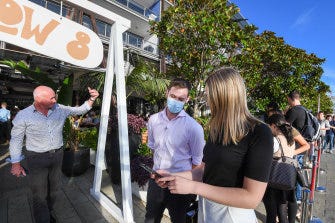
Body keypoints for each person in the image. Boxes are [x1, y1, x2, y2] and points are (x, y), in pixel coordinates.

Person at [155, 67, 273, 223]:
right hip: (207, 211)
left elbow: (251, 198)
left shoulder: (259, 132)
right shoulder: (217, 130)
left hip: (233, 216)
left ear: (224, 96)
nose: (207, 100)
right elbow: (204, 170)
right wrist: (173, 176)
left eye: (210, 95)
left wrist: (193, 187)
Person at [9, 85, 99, 223]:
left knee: (54, 190)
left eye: (55, 97)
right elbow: (16, 140)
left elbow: (80, 109)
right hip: (36, 158)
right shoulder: (23, 115)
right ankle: (43, 219)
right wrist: (15, 163)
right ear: (38, 99)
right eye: (51, 98)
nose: (55, 100)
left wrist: (92, 98)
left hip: (57, 156)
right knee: (39, 194)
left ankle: (47, 212)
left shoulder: (59, 109)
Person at [144, 78, 205, 223]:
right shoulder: (153, 120)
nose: (176, 101)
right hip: (156, 181)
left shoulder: (194, 128)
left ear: (187, 99)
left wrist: (189, 188)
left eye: (181, 99)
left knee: (179, 220)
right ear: (167, 93)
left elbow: (197, 163)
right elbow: (153, 149)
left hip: (179, 185)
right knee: (150, 219)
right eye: (173, 96)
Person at [263, 114, 310, 223]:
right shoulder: (290, 138)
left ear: (274, 126)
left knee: (271, 212)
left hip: (273, 178)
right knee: (282, 208)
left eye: (269, 126)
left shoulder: (274, 140)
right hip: (287, 177)